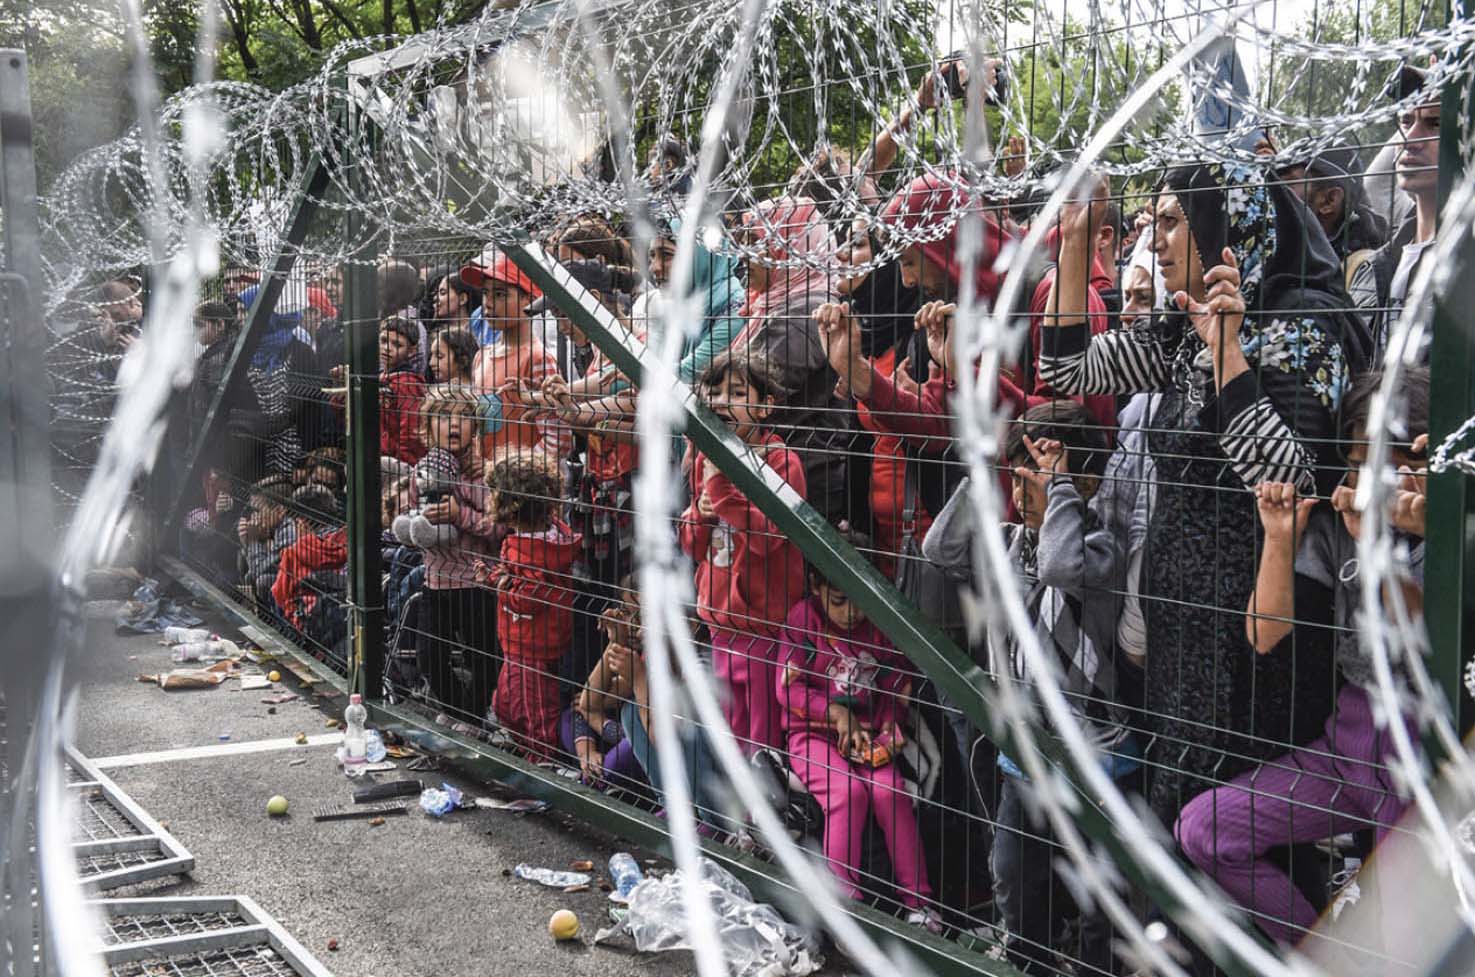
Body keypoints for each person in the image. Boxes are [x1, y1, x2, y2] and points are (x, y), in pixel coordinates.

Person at [1037, 160, 1359, 831]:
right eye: (1150, 221)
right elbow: (1065, 369)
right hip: (1178, 631)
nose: (1153, 240)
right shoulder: (1182, 330)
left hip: (1250, 639)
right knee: (1175, 821)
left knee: (1222, 839)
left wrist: (1228, 355)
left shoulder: (1303, 325)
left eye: (1172, 220)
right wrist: (1071, 243)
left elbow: (1292, 482)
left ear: (1229, 228)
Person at [1176, 367, 1429, 949]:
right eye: (1359, 459)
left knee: (1408, 935)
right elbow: (1266, 636)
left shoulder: (1449, 526)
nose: (1373, 477)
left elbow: (1417, 645)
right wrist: (1279, 537)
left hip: (1422, 759)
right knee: (1206, 829)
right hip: (1350, 745)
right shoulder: (1342, 525)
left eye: (1389, 456)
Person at [981, 401, 1137, 975]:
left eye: (1034, 475)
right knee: (1013, 874)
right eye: (1017, 474)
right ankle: (1028, 963)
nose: (1022, 488)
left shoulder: (1102, 546)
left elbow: (1059, 567)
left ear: (1082, 479)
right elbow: (941, 550)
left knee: (1101, 896)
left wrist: (1060, 489)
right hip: (1026, 756)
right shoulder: (1014, 538)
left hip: (1098, 755)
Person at [776, 523, 941, 933]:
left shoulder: (879, 625)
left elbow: (895, 683)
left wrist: (888, 725)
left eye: (860, 602)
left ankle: (920, 905)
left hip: (868, 736)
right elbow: (789, 692)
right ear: (816, 587)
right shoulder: (803, 620)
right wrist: (833, 713)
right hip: (811, 733)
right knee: (846, 793)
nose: (852, 613)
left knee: (890, 793)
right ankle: (845, 904)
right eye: (839, 602)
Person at [679, 351, 806, 755]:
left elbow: (769, 538)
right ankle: (729, 810)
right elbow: (692, 546)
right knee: (729, 728)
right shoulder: (707, 455)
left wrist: (720, 493)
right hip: (720, 622)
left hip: (761, 627)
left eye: (737, 392)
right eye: (714, 392)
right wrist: (699, 516)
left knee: (761, 734)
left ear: (766, 405)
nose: (721, 401)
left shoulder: (782, 463)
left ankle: (757, 814)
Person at [732, 196, 852, 520]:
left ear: (793, 247)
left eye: (757, 244)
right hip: (775, 475)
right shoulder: (770, 306)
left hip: (801, 486)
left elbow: (747, 384)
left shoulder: (811, 314)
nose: (745, 257)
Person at [404, 384, 502, 727]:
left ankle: (473, 716)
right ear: (428, 428)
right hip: (435, 580)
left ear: (476, 427)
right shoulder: (422, 471)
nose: (455, 424)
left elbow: (498, 528)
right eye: (445, 417)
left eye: (464, 416)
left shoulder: (484, 475)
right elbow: (412, 512)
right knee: (429, 655)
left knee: (483, 657)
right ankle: (458, 709)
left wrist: (460, 514)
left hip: (476, 583)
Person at [478, 455, 582, 758]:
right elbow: (519, 582)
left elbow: (528, 597)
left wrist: (501, 587)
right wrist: (498, 577)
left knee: (535, 713)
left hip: (530, 645)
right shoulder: (544, 537)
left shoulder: (533, 549)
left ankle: (542, 768)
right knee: (505, 706)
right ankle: (529, 754)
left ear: (510, 504)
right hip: (522, 642)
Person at [834, 216, 921, 573]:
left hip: (922, 536)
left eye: (856, 245)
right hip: (874, 532)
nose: (840, 255)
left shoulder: (923, 334)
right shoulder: (860, 334)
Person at [1349, 65, 1441, 361]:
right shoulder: (1376, 266)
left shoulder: (1462, 264)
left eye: (1435, 123)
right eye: (1405, 120)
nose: (1409, 139)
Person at [460, 249, 572, 464]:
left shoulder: (538, 359)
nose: (488, 303)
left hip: (527, 486)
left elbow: (560, 437)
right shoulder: (481, 356)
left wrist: (518, 469)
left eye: (500, 294)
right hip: (490, 481)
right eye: (485, 293)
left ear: (529, 300)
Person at [1276, 142, 1389, 278]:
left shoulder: (1360, 270)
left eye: (1286, 184)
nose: (1271, 191)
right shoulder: (1282, 253)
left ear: (1330, 200)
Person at [331, 316, 427, 465]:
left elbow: (410, 431)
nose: (387, 348)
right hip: (371, 455)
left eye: (397, 344)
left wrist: (402, 463)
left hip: (393, 463)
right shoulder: (379, 378)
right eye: (383, 341)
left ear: (412, 351)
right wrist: (341, 387)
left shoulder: (408, 383)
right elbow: (350, 416)